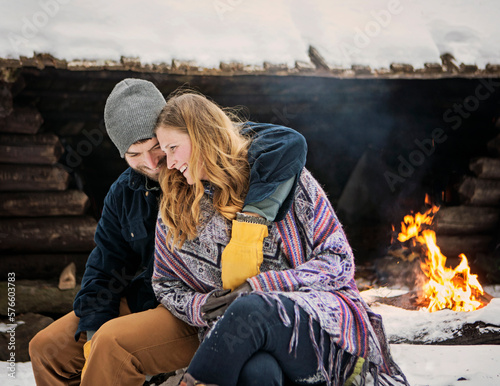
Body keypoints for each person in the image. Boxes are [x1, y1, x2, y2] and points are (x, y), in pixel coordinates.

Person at [29, 79, 308, 385]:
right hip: (147, 297)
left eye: (155, 147)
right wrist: (92, 333)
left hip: (196, 304)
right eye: (134, 155)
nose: (150, 163)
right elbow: (105, 267)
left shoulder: (205, 159)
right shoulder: (124, 193)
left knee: (113, 345)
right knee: (45, 348)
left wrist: (252, 220)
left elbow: (286, 140)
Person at [152, 91, 409, 386]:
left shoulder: (284, 178)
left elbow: (339, 261)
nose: (169, 163)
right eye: (165, 151)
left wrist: (260, 286)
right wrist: (200, 305)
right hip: (237, 340)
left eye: (173, 147)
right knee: (258, 373)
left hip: (315, 328)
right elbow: (165, 284)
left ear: (201, 136)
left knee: (249, 308)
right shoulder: (176, 207)